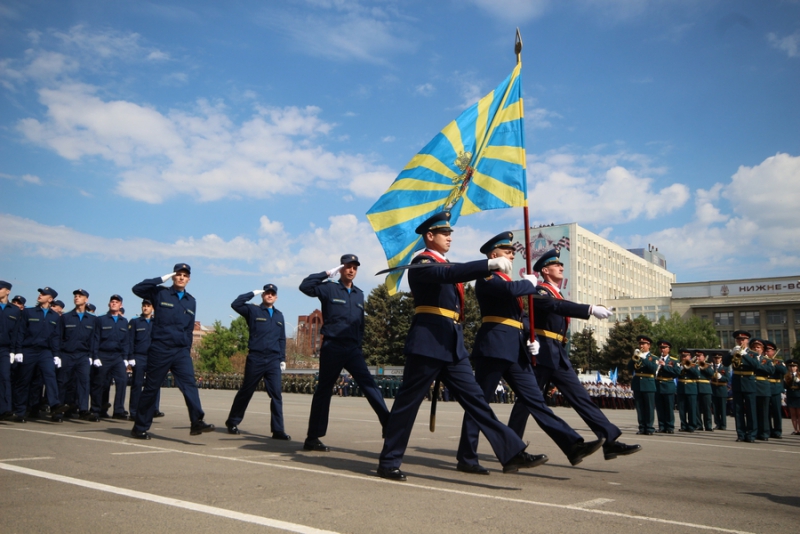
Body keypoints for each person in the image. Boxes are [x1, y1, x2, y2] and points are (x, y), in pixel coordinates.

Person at [378, 212, 548, 481]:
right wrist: (489, 264)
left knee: (478, 402)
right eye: (444, 233)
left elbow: (453, 274)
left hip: (452, 345)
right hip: (428, 343)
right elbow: (450, 273)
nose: (450, 237)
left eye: (450, 233)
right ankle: (388, 461)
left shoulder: (442, 263)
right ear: (429, 236)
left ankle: (511, 450)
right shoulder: (422, 262)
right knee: (407, 405)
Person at [455, 232, 604, 474]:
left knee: (536, 400)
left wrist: (529, 339)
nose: (512, 254)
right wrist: (531, 283)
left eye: (513, 251)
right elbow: (509, 291)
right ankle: (467, 456)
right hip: (493, 347)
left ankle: (572, 446)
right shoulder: (488, 277)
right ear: (494, 255)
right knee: (479, 404)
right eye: (507, 251)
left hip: (516, 349)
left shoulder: (509, 281)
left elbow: (520, 319)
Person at [507, 249, 641, 461]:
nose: (561, 267)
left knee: (581, 398)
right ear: (545, 270)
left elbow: (559, 305)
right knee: (526, 402)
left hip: (557, 354)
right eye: (556, 265)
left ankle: (610, 439)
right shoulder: (539, 291)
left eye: (561, 264)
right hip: (541, 353)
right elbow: (555, 307)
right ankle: (511, 448)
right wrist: (589, 309)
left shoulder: (556, 292)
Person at [299, 254, 389, 452]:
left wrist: (359, 343)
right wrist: (325, 273)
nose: (351, 270)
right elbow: (305, 286)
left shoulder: (359, 294)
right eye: (348, 266)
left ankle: (388, 425)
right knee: (324, 390)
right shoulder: (329, 288)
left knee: (369, 385)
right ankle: (312, 438)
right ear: (341, 268)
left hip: (353, 348)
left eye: (354, 267)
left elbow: (361, 323)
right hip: (333, 346)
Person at [130, 263, 213, 439]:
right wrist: (162, 278)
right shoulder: (160, 293)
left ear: (189, 279)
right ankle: (139, 427)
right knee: (151, 388)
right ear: (173, 277)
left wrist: (187, 348)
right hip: (161, 348)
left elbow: (189, 327)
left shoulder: (191, 301)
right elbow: (137, 288)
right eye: (178, 274)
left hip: (181, 350)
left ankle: (196, 421)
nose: (181, 277)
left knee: (190, 385)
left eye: (185, 275)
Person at [225, 284, 290, 440]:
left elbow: (282, 339)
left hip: (273, 360)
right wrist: (252, 293)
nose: (269, 295)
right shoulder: (253, 311)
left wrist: (282, 359)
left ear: (276, 297)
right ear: (263, 295)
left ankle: (278, 430)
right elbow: (236, 304)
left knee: (276, 395)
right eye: (267, 293)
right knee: (247, 391)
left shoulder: (279, 315)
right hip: (256, 357)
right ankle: (232, 421)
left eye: (272, 293)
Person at [10, 287, 68, 422]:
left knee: (50, 376)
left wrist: (56, 354)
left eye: (44, 294)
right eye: (40, 293)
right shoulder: (28, 312)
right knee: (24, 381)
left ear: (50, 299)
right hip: (28, 350)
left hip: (45, 352)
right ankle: (20, 412)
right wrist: (18, 350)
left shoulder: (55, 316)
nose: (40, 295)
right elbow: (20, 332)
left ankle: (54, 405)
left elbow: (56, 337)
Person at [55, 289, 95, 420]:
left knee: (84, 382)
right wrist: (57, 355)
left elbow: (94, 339)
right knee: (63, 382)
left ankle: (83, 409)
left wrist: (91, 355)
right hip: (67, 354)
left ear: (86, 299)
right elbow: (59, 336)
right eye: (75, 296)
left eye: (80, 296)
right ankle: (58, 410)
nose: (77, 298)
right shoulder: (66, 317)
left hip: (83, 355)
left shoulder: (92, 319)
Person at [89, 295, 130, 420]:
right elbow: (95, 339)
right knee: (100, 383)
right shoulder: (101, 320)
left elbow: (126, 341)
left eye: (116, 302)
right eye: (112, 302)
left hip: (117, 356)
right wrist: (95, 356)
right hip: (103, 354)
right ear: (109, 304)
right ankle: (96, 410)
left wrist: (125, 357)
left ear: (121, 305)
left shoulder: (124, 321)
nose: (114, 304)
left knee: (122, 381)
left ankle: (118, 410)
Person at [127, 299, 163, 421]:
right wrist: (130, 357)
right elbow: (130, 340)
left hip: (153, 357)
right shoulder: (135, 322)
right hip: (139, 357)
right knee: (137, 385)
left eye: (148, 306)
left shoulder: (157, 322)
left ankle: (154, 409)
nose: (145, 308)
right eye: (144, 306)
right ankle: (134, 411)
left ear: (153, 308)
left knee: (154, 385)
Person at [723, 331, 760, 443]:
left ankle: (752, 434)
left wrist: (745, 354)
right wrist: (730, 354)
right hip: (737, 383)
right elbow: (725, 363)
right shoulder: (734, 352)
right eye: (738, 339)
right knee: (738, 410)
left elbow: (756, 365)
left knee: (751, 410)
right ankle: (741, 434)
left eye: (743, 339)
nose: (740, 341)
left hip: (749, 383)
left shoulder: (753, 354)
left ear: (747, 340)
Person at [0, 280, 22, 419]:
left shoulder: (14, 310)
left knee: (4, 378)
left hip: (5, 349)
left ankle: (5, 409)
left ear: (8, 291)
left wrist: (14, 351)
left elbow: (17, 332)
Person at [629, 336, 658, 435]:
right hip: (637, 384)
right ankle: (642, 427)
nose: (641, 345)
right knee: (640, 407)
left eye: (643, 344)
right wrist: (633, 358)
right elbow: (629, 368)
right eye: (640, 344)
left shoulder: (653, 358)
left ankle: (649, 428)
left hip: (648, 384)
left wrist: (644, 358)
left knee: (649, 408)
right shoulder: (637, 355)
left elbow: (653, 369)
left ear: (648, 345)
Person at [654, 340, 680, 434]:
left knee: (669, 408)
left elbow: (677, 372)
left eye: (664, 348)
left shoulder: (673, 360)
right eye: (661, 348)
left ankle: (670, 426)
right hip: (658, 386)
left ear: (668, 349)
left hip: (668, 385)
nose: (662, 349)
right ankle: (661, 426)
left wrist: (665, 366)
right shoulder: (656, 359)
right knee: (660, 408)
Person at [751, 339, 774, 441]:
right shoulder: (748, 359)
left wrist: (758, 365)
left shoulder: (767, 360)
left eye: (758, 347)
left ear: (762, 349)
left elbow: (770, 370)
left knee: (764, 412)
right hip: (751, 388)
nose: (756, 349)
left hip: (763, 388)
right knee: (753, 412)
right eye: (754, 347)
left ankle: (764, 433)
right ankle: (754, 432)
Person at [765, 341, 786, 439]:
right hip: (764, 388)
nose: (766, 352)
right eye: (765, 350)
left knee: (777, 411)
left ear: (773, 351)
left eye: (768, 350)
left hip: (775, 388)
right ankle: (768, 430)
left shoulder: (778, 361)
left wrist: (775, 365)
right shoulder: (762, 361)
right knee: (766, 411)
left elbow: (784, 371)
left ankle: (777, 431)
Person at [676, 349, 699, 432]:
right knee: (682, 409)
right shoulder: (678, 365)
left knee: (691, 408)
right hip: (681, 388)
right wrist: (680, 368)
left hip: (691, 388)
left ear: (690, 356)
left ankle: (692, 425)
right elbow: (676, 374)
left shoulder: (694, 365)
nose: (684, 358)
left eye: (685, 356)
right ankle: (683, 425)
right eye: (682, 356)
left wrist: (689, 367)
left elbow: (697, 374)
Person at [710, 352, 730, 430]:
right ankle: (717, 423)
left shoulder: (725, 367)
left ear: (721, 359)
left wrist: (721, 377)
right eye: (715, 358)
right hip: (713, 389)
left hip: (722, 389)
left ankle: (723, 424)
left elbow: (727, 379)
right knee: (715, 408)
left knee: (722, 408)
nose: (717, 359)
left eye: (718, 358)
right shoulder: (711, 367)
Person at [783, 360, 800, 434]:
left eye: (794, 366)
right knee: (793, 414)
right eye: (790, 366)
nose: (792, 368)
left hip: (798, 395)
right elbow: (785, 387)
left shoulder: (799, 375)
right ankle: (795, 429)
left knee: (799, 414)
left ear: (797, 367)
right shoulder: (786, 376)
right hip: (790, 395)